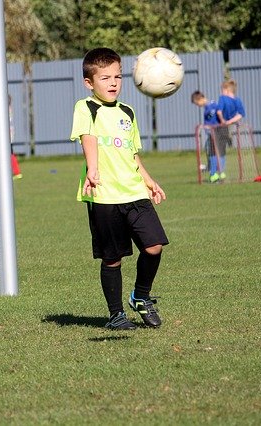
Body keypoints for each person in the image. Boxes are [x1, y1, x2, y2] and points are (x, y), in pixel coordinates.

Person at [69, 48, 169, 330]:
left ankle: (140, 296)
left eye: (117, 76)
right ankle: (116, 316)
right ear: (90, 83)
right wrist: (92, 168)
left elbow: (132, 152)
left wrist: (148, 180)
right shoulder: (85, 107)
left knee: (154, 247)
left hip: (134, 191)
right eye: (105, 78)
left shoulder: (128, 111)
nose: (113, 82)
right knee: (112, 258)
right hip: (103, 193)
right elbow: (87, 136)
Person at [213, 79, 246, 182]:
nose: (221, 92)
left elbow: (219, 112)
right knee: (223, 151)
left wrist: (223, 120)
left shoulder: (223, 98)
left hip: (219, 127)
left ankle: (214, 174)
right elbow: (240, 115)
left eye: (222, 89)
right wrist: (230, 121)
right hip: (229, 128)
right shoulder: (238, 100)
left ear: (226, 90)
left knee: (214, 151)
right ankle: (222, 173)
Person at [191, 91, 220, 181]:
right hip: (211, 134)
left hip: (215, 133)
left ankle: (214, 173)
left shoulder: (212, 106)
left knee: (212, 152)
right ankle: (212, 169)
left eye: (197, 103)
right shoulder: (208, 107)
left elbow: (217, 117)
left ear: (200, 99)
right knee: (209, 151)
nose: (198, 106)